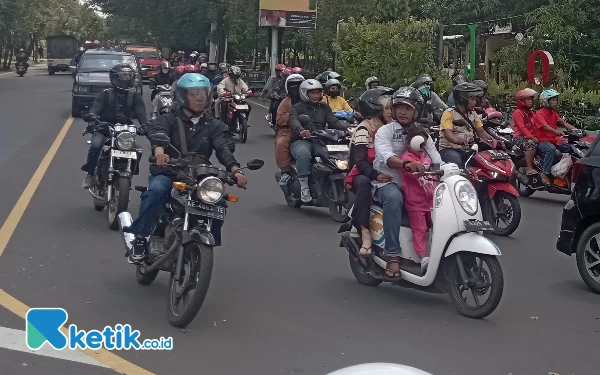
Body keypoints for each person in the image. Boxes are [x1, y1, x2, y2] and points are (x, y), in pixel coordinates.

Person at [123, 73, 246, 263]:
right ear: (182, 96)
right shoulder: (170, 118)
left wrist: (236, 170)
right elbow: (157, 134)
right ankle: (140, 238)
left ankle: (205, 246)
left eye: (203, 93)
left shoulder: (214, 125)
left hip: (198, 176)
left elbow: (223, 148)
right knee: (156, 191)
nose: (199, 98)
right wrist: (160, 153)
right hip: (169, 171)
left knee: (219, 202)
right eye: (194, 93)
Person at [373, 87, 442, 277]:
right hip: (389, 182)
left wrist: (453, 170)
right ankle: (393, 256)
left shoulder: (422, 133)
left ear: (417, 111)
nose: (403, 111)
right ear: (393, 110)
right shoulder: (384, 132)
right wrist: (406, 164)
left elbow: (436, 158)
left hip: (418, 185)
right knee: (394, 198)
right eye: (399, 107)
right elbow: (386, 157)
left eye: (408, 108)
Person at [345, 87, 395, 257]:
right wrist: (375, 175)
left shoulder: (392, 128)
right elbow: (360, 161)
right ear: (375, 108)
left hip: (388, 173)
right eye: (387, 108)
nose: (391, 111)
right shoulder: (364, 129)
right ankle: (364, 232)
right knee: (364, 184)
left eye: (391, 107)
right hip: (362, 173)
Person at [81, 64, 148, 189]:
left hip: (125, 130)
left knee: (138, 150)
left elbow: (141, 113)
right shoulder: (105, 95)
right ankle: (90, 174)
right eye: (122, 77)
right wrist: (92, 121)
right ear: (115, 78)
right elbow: (95, 108)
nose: (125, 80)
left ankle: (128, 174)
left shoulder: (135, 96)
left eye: (128, 77)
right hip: (104, 127)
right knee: (96, 146)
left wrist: (145, 126)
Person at [289, 79, 349, 202]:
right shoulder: (297, 108)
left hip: (321, 139)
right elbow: (294, 121)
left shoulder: (324, 107)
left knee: (338, 153)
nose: (316, 95)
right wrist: (302, 131)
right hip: (302, 140)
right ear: (305, 93)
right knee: (303, 153)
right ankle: (304, 186)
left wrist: (347, 130)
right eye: (312, 93)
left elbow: (333, 121)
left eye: (318, 92)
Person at [399, 126, 436, 272]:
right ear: (409, 144)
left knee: (438, 226)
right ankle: (422, 257)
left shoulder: (426, 159)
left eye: (424, 144)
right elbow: (408, 169)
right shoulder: (406, 159)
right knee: (419, 228)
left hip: (431, 201)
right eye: (419, 144)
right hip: (415, 202)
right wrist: (413, 167)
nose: (422, 147)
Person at [438, 82, 492, 168]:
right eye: (472, 99)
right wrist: (457, 140)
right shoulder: (449, 113)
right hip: (449, 149)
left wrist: (494, 141)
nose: (475, 102)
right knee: (456, 160)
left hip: (468, 149)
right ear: (462, 99)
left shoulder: (473, 114)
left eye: (475, 99)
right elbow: (447, 134)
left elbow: (481, 132)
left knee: (485, 161)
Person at [533, 89, 577, 185]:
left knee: (571, 148)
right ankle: (545, 173)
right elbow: (544, 126)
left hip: (554, 140)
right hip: (542, 142)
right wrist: (555, 131)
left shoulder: (553, 113)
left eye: (556, 100)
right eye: (552, 100)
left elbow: (564, 123)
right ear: (545, 101)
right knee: (551, 149)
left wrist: (577, 131)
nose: (555, 102)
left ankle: (567, 171)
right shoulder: (539, 114)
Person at [275, 74, 305, 185]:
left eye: (299, 84)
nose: (295, 87)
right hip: (288, 130)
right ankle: (285, 172)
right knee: (281, 142)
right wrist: (293, 116)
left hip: (310, 129)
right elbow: (279, 119)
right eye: (292, 85)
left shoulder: (310, 99)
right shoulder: (285, 102)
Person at [511, 88, 539, 176]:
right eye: (528, 99)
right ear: (521, 101)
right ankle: (529, 168)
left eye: (531, 99)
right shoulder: (518, 112)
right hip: (519, 137)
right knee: (530, 144)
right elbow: (522, 128)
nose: (530, 101)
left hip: (529, 135)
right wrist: (532, 137)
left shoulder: (530, 112)